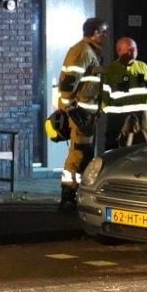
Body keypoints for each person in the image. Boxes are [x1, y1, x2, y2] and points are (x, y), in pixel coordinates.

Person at [56, 18, 106, 211]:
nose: (105, 35)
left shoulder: (91, 52)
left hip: (87, 112)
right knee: (78, 153)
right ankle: (68, 195)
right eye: (103, 31)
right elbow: (69, 82)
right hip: (81, 113)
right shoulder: (82, 51)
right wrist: (71, 108)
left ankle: (77, 192)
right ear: (94, 32)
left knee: (84, 154)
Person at [100, 36, 147, 149]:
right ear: (119, 51)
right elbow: (104, 99)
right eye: (128, 49)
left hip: (143, 118)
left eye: (134, 48)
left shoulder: (143, 67)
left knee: (146, 151)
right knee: (119, 154)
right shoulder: (110, 70)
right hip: (120, 120)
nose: (132, 52)